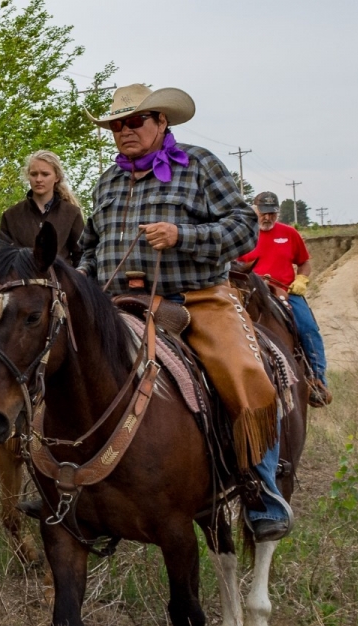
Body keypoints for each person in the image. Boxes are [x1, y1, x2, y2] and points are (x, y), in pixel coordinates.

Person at [77, 84, 292, 542]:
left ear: (161, 122)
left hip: (195, 298)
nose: (125, 131)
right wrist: (80, 280)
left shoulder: (199, 165)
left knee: (243, 374)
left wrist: (182, 236)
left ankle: (261, 494)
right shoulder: (108, 181)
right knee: (61, 368)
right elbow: (90, 247)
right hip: (114, 304)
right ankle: (71, 489)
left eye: (135, 121)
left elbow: (244, 228)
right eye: (117, 125)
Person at [240, 190, 331, 405]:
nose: (267, 217)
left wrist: (301, 280)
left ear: (278, 212)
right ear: (255, 210)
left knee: (308, 328)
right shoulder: (243, 235)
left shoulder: (289, 233)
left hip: (285, 291)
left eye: (272, 213)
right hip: (250, 292)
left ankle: (317, 380)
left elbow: (304, 262)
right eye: (263, 212)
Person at [0, 150, 84, 266]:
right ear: (28, 176)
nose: (38, 179)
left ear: (57, 177)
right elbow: (1, 258)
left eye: (45, 174)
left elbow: (81, 256)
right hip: (23, 276)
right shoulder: (11, 216)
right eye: (34, 174)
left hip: (60, 277)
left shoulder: (71, 213)